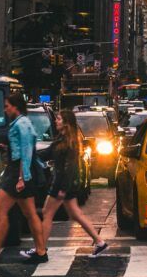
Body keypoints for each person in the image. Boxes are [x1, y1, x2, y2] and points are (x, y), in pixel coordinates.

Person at [22, 110, 109, 259]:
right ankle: (100, 242)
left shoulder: (70, 142)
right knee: (76, 214)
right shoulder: (61, 139)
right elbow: (48, 153)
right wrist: (29, 152)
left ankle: (40, 249)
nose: (56, 121)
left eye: (59, 119)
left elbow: (70, 167)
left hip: (62, 184)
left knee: (47, 213)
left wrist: (62, 188)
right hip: (65, 184)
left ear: (67, 123)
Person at [0, 92, 48, 264]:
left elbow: (26, 152)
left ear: (15, 107)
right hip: (19, 171)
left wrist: (21, 178)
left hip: (18, 172)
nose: (5, 109)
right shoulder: (19, 123)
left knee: (1, 210)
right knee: (29, 213)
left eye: (7, 106)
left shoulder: (22, 124)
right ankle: (40, 251)